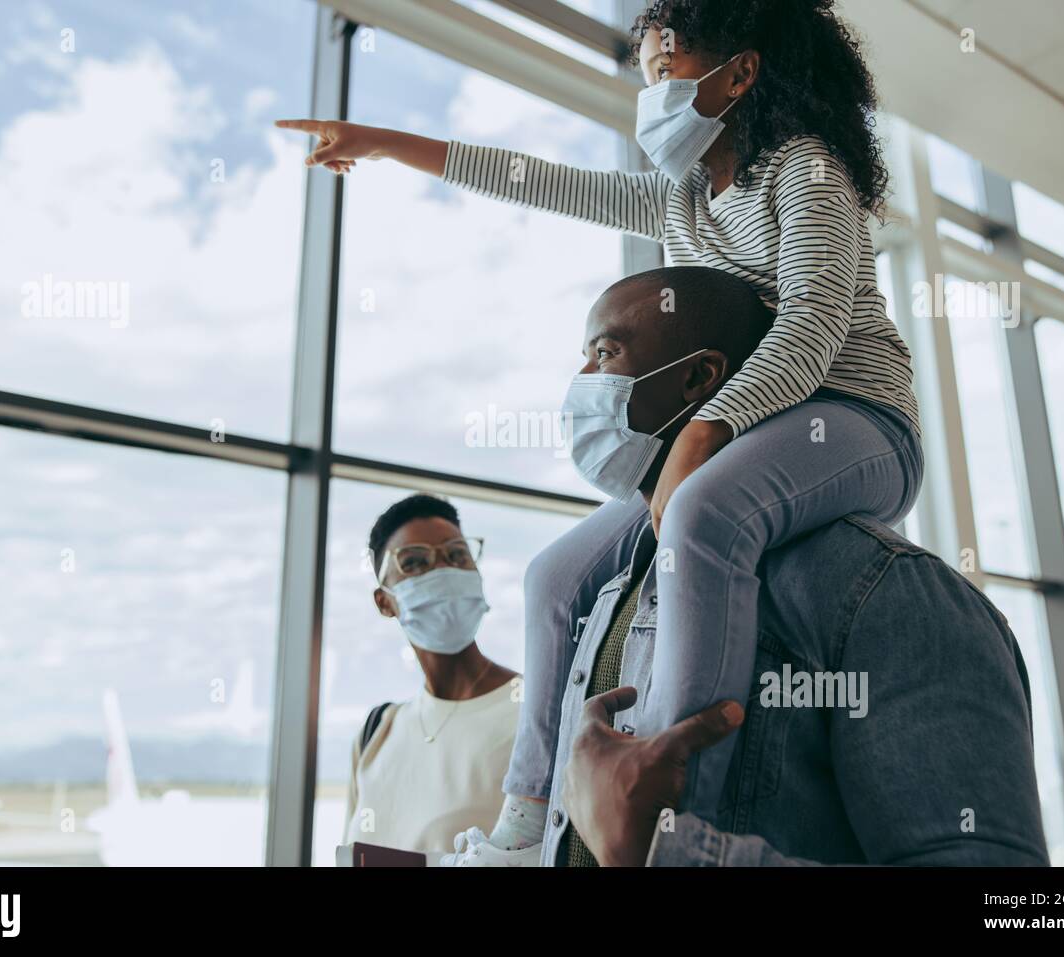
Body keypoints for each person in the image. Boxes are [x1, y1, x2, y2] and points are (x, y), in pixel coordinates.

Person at [284, 0, 923, 856]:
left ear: (740, 74)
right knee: (555, 575)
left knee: (701, 515)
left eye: (668, 71)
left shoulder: (805, 172)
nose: (652, 93)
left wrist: (705, 433)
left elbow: (810, 327)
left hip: (857, 420)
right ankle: (524, 816)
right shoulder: (684, 196)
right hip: (754, 433)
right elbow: (534, 180)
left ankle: (673, 794)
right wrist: (389, 143)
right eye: (647, 75)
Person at [557, 508, 1051, 866]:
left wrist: (661, 853)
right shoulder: (612, 592)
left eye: (603, 356)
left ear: (700, 374)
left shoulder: (885, 585)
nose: (584, 382)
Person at [341, 494, 521, 856]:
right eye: (415, 563)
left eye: (457, 555)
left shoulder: (534, 711)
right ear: (384, 602)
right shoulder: (378, 730)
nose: (443, 571)